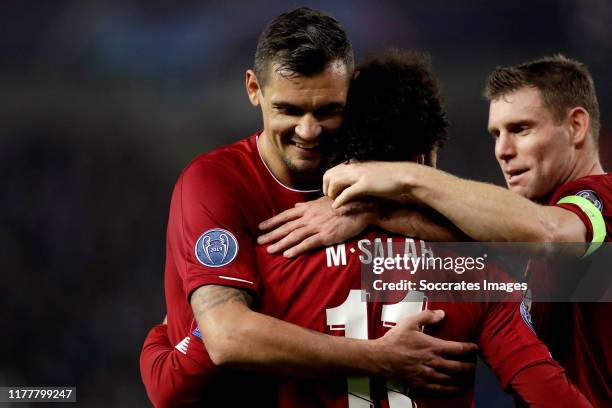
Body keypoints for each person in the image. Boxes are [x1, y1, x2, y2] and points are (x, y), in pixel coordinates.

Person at [142, 49, 592, 407]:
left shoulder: (275, 261)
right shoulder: (482, 273)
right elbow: (553, 395)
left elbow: (170, 386)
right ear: (423, 159)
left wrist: (164, 331)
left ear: (346, 157)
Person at [139, 8, 477, 407]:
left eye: (327, 110)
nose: (309, 130)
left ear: (350, 93)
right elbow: (227, 336)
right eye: (290, 110)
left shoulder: (370, 172)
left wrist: (377, 212)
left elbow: (504, 244)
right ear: (253, 89)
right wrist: (380, 357)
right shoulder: (215, 182)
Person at [265, 54, 610, 406]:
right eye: (495, 134)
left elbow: (550, 234)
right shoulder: (482, 272)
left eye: (521, 129)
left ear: (576, 126)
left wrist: (407, 178)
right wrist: (377, 210)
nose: (502, 151)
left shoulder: (601, 200)